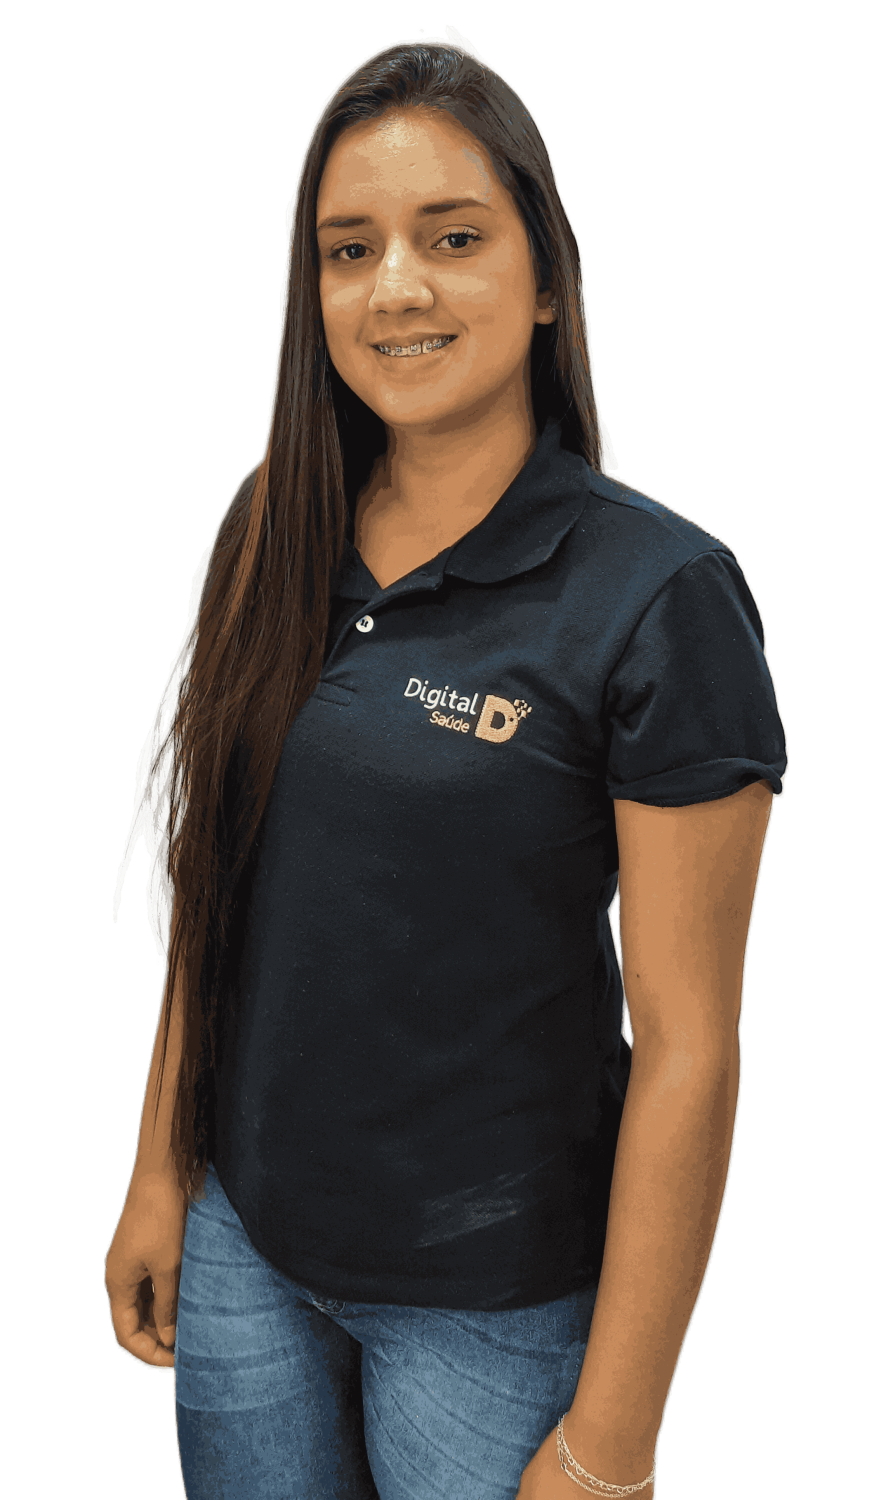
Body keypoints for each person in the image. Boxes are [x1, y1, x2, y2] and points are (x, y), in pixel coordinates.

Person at [105, 29, 787, 1500]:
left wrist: (613, 1443)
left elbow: (690, 1048)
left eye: (453, 237)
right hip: (247, 1252)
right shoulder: (274, 527)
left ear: (547, 280)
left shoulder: (659, 594)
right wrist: (163, 1172)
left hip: (491, 1317)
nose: (395, 287)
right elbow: (215, 892)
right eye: (349, 250)